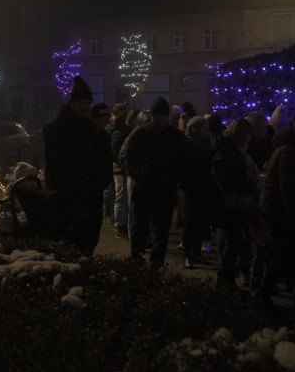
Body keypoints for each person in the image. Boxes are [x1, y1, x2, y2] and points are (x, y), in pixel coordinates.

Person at [257, 111, 295, 313]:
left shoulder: (288, 150)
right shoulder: (291, 153)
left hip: (282, 214)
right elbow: (288, 188)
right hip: (286, 216)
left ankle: (270, 295)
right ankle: (281, 297)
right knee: (290, 257)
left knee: (284, 257)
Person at [42, 76, 112, 255]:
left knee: (87, 242)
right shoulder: (58, 127)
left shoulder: (88, 127)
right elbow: (56, 166)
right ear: (72, 102)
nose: (86, 107)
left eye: (89, 103)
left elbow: (99, 159)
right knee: (69, 244)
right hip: (68, 198)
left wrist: (100, 182)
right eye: (82, 102)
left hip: (90, 196)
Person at [119, 96, 187, 269]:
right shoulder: (141, 134)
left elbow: (184, 161)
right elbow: (127, 158)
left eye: (162, 116)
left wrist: (175, 178)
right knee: (140, 226)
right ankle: (137, 257)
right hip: (144, 187)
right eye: (157, 115)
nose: (159, 119)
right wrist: (137, 173)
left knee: (161, 229)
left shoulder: (174, 136)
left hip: (164, 189)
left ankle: (155, 262)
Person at [212, 119, 261, 290]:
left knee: (234, 242)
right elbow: (227, 182)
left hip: (235, 203)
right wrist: (249, 185)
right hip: (231, 205)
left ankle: (226, 279)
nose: (250, 138)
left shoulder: (234, 151)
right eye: (248, 134)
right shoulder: (227, 154)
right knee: (233, 243)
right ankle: (225, 279)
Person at [180, 116, 213, 268]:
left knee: (201, 222)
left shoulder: (206, 142)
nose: (206, 130)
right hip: (191, 187)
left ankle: (196, 252)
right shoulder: (188, 143)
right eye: (202, 127)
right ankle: (188, 253)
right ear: (194, 129)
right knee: (190, 222)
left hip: (204, 187)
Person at [109, 103, 132, 239]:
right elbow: (114, 151)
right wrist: (122, 163)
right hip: (119, 168)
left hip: (121, 167)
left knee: (120, 196)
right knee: (120, 196)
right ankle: (119, 225)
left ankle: (119, 222)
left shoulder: (118, 130)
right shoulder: (119, 131)